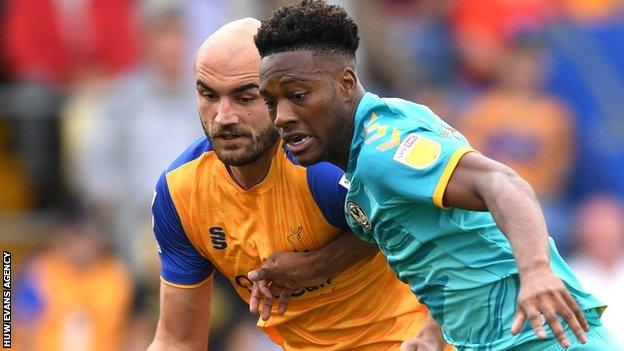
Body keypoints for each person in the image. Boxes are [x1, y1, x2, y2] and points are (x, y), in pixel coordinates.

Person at [254, 1, 621, 350]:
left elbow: (504, 184)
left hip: (542, 338)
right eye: (271, 102)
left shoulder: (383, 152)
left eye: (298, 96)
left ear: (347, 83)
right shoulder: (377, 144)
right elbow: (451, 245)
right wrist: (433, 331)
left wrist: (537, 272)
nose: (281, 116)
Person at [148, 18, 451, 351]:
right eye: (208, 95)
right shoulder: (181, 193)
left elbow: (447, 240)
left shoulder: (323, 167)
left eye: (245, 98)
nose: (223, 117)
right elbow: (178, 340)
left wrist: (316, 265)